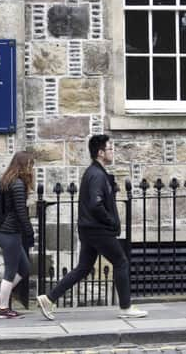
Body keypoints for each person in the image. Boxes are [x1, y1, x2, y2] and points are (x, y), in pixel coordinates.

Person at [36, 134, 148, 320]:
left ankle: (49, 298)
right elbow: (96, 204)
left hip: (89, 229)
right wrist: (110, 221)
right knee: (121, 262)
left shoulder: (96, 172)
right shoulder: (96, 175)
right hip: (98, 230)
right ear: (100, 152)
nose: (113, 152)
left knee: (84, 268)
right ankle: (126, 307)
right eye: (110, 149)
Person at [0, 151, 35, 319]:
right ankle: (3, 309)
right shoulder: (17, 184)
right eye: (30, 164)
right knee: (11, 270)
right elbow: (20, 212)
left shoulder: (9, 181)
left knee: (24, 268)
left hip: (5, 231)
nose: (32, 168)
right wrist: (29, 231)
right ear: (24, 165)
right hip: (9, 233)